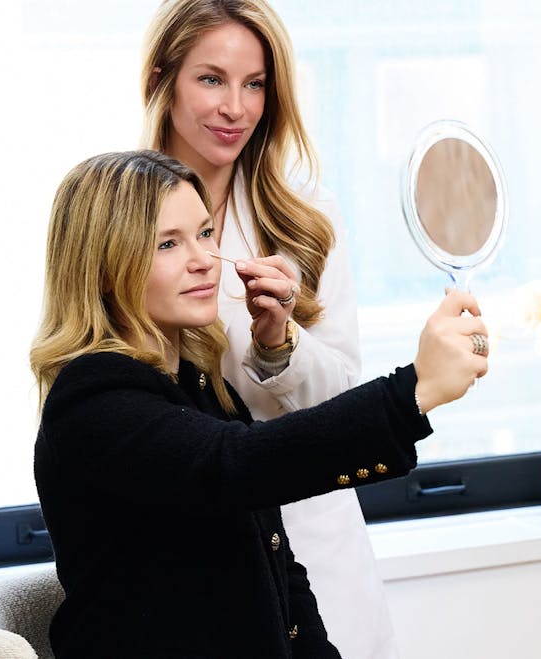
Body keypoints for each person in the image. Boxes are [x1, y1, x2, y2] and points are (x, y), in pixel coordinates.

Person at [30, 149, 488, 658]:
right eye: (167, 243)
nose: (204, 258)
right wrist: (413, 392)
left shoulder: (199, 386)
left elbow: (281, 580)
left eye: (205, 233)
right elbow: (235, 465)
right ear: (105, 267)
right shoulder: (90, 399)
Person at [138, 2, 400, 654]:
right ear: (163, 77)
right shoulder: (116, 218)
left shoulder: (307, 217)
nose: (236, 107)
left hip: (313, 545)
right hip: (181, 553)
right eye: (211, 79)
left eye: (254, 84)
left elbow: (339, 400)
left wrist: (279, 343)